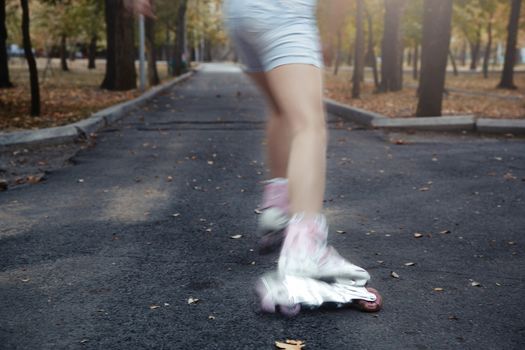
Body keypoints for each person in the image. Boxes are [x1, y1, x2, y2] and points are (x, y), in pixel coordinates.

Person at [129, 0, 382, 315]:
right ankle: (305, 252)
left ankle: (277, 208)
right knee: (309, 125)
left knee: (282, 108)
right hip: (284, 12)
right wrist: (330, 32)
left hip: (241, 15)